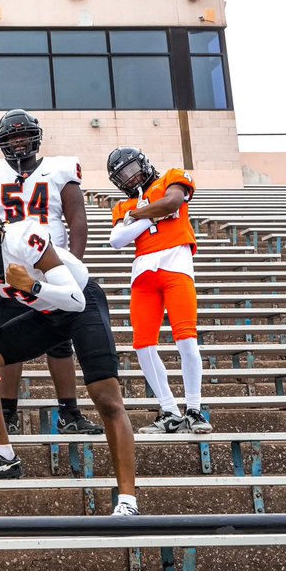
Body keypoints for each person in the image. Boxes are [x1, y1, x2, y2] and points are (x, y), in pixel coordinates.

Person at [0, 186, 139, 516]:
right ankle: (3, 453)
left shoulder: (23, 237)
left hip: (81, 302)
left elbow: (75, 299)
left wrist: (32, 285)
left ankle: (127, 501)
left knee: (107, 399)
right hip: (46, 313)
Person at [0, 109, 101, 436]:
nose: (18, 142)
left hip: (52, 268)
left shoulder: (59, 170)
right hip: (11, 268)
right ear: (1, 142)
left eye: (23, 135)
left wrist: (73, 267)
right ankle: (8, 412)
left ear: (36, 137)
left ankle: (69, 412)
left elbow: (77, 219)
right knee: (9, 342)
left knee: (60, 344)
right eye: (11, 137)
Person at [107, 147, 210, 435]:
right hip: (142, 275)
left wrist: (137, 215)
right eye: (122, 175)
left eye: (131, 169)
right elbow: (117, 240)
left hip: (176, 266)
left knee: (186, 339)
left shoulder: (170, 178)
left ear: (144, 163)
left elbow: (172, 202)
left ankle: (194, 409)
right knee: (142, 345)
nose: (130, 177)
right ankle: (169, 411)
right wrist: (150, 217)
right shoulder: (120, 206)